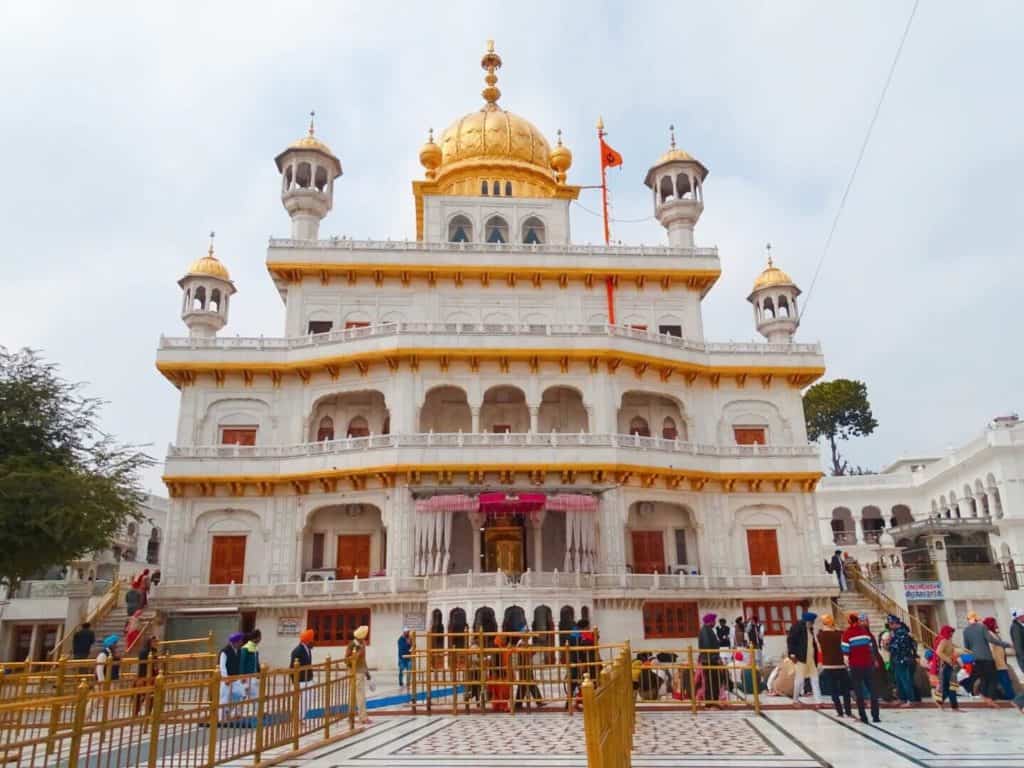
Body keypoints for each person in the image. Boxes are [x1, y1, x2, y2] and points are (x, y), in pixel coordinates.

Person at [963, 611, 1009, 707]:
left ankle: (984, 695)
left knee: (983, 678)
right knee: (993, 678)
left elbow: (966, 646)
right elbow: (991, 640)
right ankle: (989, 698)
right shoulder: (982, 627)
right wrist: (1005, 644)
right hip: (986, 657)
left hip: (976, 658)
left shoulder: (965, 631)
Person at [842, 612, 880, 723]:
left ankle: (863, 716)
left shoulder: (847, 634)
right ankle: (876, 716)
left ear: (849, 622)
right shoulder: (865, 632)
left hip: (855, 666)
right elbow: (871, 648)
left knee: (859, 692)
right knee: (872, 690)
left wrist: (847, 666)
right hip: (868, 664)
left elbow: (845, 652)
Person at [817, 614, 852, 717]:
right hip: (841, 665)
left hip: (828, 666)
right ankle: (848, 711)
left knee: (834, 691)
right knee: (845, 690)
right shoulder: (840, 634)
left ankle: (839, 711)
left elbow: (820, 650)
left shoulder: (820, 635)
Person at [787, 612, 820, 705]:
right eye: (812, 622)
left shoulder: (810, 629)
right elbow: (790, 641)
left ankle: (818, 701)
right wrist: (792, 654)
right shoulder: (797, 628)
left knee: (815, 679)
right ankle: (795, 700)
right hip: (801, 658)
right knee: (799, 680)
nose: (813, 623)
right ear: (808, 621)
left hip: (810, 658)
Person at [887, 615, 918, 706]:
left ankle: (910, 699)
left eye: (890, 624)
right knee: (898, 680)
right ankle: (902, 698)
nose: (890, 626)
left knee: (905, 679)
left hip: (902, 659)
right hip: (896, 659)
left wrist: (888, 643)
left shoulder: (902, 633)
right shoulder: (896, 633)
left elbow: (897, 648)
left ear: (895, 624)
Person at [346, 625, 372, 725]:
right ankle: (362, 717)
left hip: (360, 672)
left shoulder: (362, 643)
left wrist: (367, 672)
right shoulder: (352, 645)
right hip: (354, 672)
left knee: (357, 695)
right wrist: (357, 654)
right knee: (358, 695)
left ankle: (353, 716)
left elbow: (363, 660)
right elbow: (347, 660)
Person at [983, 617, 1015, 700]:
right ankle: (1010, 696)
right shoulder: (989, 634)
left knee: (1003, 680)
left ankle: (1006, 695)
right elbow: (991, 648)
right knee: (1005, 680)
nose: (996, 625)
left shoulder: (994, 633)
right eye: (995, 623)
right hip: (997, 662)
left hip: (1000, 661)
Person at [514, 627, 543, 709]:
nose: (529, 635)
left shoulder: (525, 643)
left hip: (526, 666)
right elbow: (527, 654)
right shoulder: (521, 643)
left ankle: (518, 704)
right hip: (524, 667)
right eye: (527, 633)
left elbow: (531, 652)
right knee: (528, 684)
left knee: (525, 685)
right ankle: (538, 701)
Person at [932, 625, 960, 711]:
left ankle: (939, 701)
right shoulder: (944, 640)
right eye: (951, 632)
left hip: (948, 665)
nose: (952, 634)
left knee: (948, 687)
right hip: (946, 666)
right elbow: (938, 652)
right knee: (952, 686)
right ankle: (954, 707)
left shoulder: (948, 640)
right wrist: (948, 660)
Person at [698, 613, 722, 703]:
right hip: (709, 660)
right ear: (710, 621)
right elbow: (708, 646)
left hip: (710, 659)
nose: (715, 623)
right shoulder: (705, 631)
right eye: (714, 621)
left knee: (713, 681)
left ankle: (713, 701)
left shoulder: (708, 630)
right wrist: (716, 658)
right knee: (711, 682)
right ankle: (710, 703)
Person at [219, 632, 245, 716]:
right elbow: (222, 666)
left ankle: (228, 711)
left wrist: (242, 676)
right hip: (227, 678)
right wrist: (225, 678)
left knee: (241, 695)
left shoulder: (239, 651)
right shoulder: (224, 651)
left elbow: (240, 664)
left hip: (236, 678)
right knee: (224, 698)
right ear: (235, 642)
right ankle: (221, 717)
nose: (241, 643)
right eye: (240, 641)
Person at [290, 629, 315, 716]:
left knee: (308, 700)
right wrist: (295, 683)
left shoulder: (307, 649)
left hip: (308, 679)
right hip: (301, 681)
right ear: (308, 640)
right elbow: (292, 668)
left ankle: (301, 718)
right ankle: (298, 719)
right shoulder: (298, 651)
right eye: (312, 640)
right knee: (301, 701)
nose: (313, 642)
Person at [134, 636, 159, 716]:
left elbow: (155, 665)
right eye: (154, 642)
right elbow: (145, 665)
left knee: (151, 696)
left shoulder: (153, 651)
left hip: (152, 677)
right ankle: (135, 714)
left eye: (156, 642)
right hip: (144, 677)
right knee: (140, 696)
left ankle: (148, 714)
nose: (155, 643)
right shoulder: (145, 652)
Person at [239, 630, 261, 698]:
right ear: (256, 638)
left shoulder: (255, 648)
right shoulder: (245, 648)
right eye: (260, 637)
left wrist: (259, 673)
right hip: (246, 677)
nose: (260, 639)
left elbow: (257, 662)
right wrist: (242, 676)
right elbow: (241, 663)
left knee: (255, 697)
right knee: (242, 697)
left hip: (254, 677)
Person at [1011, 609, 1024, 677]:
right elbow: (1018, 643)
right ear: (1019, 617)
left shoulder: (1019, 626)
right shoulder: (1015, 627)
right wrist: (1022, 657)